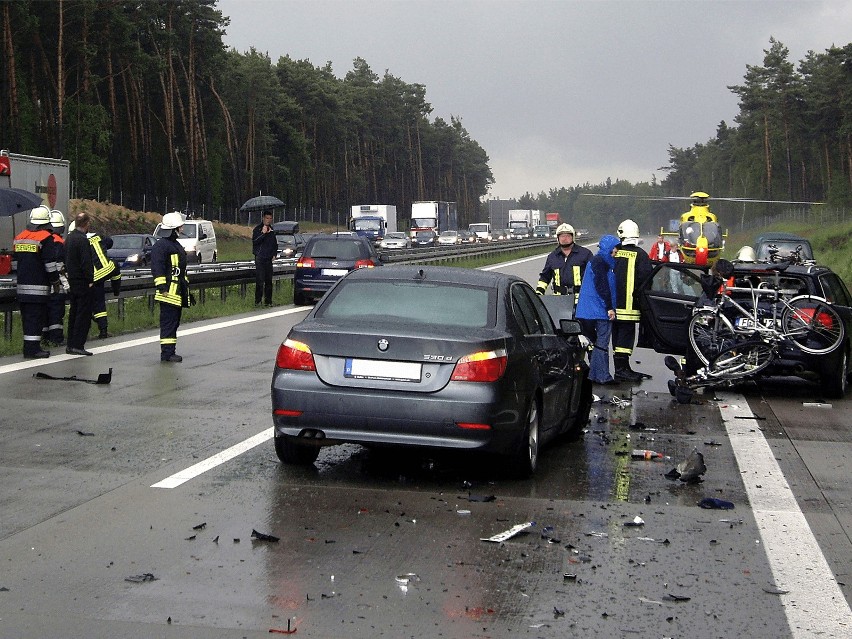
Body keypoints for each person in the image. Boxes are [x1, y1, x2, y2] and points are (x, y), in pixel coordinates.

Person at [13, 205, 64, 358]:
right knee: (36, 319)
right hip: (38, 288)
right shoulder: (46, 238)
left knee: (27, 319)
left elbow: (14, 264)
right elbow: (49, 264)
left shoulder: (20, 237)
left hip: (22, 287)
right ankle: (32, 350)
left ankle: (29, 347)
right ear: (46, 223)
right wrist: (55, 281)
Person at [612, 219, 653, 381]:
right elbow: (646, 279)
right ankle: (622, 369)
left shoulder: (614, 252)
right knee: (626, 336)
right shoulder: (641, 255)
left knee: (617, 335)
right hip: (630, 306)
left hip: (613, 306)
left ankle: (622, 367)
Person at [575, 234, 620, 384]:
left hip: (587, 310)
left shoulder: (595, 261)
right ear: (609, 248)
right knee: (602, 343)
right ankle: (602, 376)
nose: (616, 252)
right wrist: (609, 308)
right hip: (599, 310)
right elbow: (602, 286)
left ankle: (594, 375)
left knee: (596, 343)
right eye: (615, 248)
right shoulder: (601, 263)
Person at [152, 211, 191, 362]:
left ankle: (171, 351)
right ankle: (167, 354)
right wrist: (162, 288)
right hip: (168, 293)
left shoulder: (174, 245)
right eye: (180, 227)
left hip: (177, 293)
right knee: (168, 323)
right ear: (173, 228)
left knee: (174, 323)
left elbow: (180, 270)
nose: (182, 229)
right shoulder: (161, 246)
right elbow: (158, 267)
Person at [535, 223, 593, 310]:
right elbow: (545, 277)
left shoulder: (585, 254)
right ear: (558, 238)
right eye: (562, 236)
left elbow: (594, 276)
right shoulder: (552, 257)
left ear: (573, 237)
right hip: (559, 301)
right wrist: (538, 294)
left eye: (567, 236)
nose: (564, 239)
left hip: (581, 301)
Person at [64, 212, 95, 356]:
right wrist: (90, 280)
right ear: (86, 224)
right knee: (83, 315)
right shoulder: (83, 240)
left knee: (74, 313)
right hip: (82, 282)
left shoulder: (69, 238)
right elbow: (86, 262)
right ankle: (78, 345)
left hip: (72, 280)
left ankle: (70, 345)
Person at [42, 209, 69, 347]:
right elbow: (61, 266)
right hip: (57, 284)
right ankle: (56, 338)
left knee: (45, 313)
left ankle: (44, 338)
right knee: (56, 313)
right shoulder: (59, 242)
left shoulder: (44, 240)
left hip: (43, 284)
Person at [89, 230, 121, 338]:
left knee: (98, 302)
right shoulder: (98, 237)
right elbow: (110, 242)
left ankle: (101, 329)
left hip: (94, 277)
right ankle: (116, 290)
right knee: (116, 267)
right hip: (107, 270)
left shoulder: (80, 241)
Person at [252, 210, 277, 306]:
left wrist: (274, 253)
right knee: (260, 281)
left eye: (270, 218)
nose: (268, 220)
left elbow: (274, 243)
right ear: (263, 218)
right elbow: (255, 242)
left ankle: (268, 301)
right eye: (267, 218)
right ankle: (258, 301)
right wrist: (263, 233)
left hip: (269, 258)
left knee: (269, 281)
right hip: (260, 258)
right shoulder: (257, 229)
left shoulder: (272, 230)